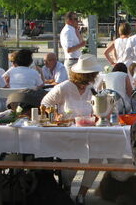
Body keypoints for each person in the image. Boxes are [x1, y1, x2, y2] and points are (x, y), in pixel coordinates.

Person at [41, 54, 103, 205]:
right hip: (67, 135)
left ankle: (82, 193)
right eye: (91, 75)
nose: (92, 78)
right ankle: (66, 188)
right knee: (72, 161)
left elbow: (96, 110)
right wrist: (55, 116)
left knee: (98, 157)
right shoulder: (64, 87)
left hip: (87, 133)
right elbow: (44, 104)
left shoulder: (91, 89)